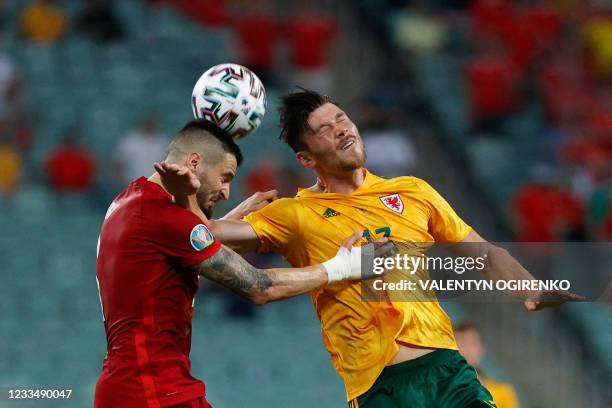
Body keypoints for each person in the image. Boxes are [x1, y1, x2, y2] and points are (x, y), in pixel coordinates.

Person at [158, 89, 583, 407]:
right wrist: (184, 187)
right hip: (378, 385)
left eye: (341, 117)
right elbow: (197, 236)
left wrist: (530, 287)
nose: (341, 127)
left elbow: (484, 251)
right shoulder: (293, 214)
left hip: (447, 371)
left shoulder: (411, 191)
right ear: (306, 160)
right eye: (324, 128)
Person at [94, 119, 392, 408]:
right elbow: (258, 286)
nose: (225, 191)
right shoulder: (162, 215)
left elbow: (184, 239)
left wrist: (233, 217)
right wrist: (344, 267)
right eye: (225, 178)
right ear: (194, 163)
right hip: (150, 393)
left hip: (146, 388)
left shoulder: (131, 198)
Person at [455, 323, 520, 408]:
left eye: (471, 344)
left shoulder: (503, 392)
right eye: (459, 344)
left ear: (481, 349)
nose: (465, 351)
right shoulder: (439, 391)